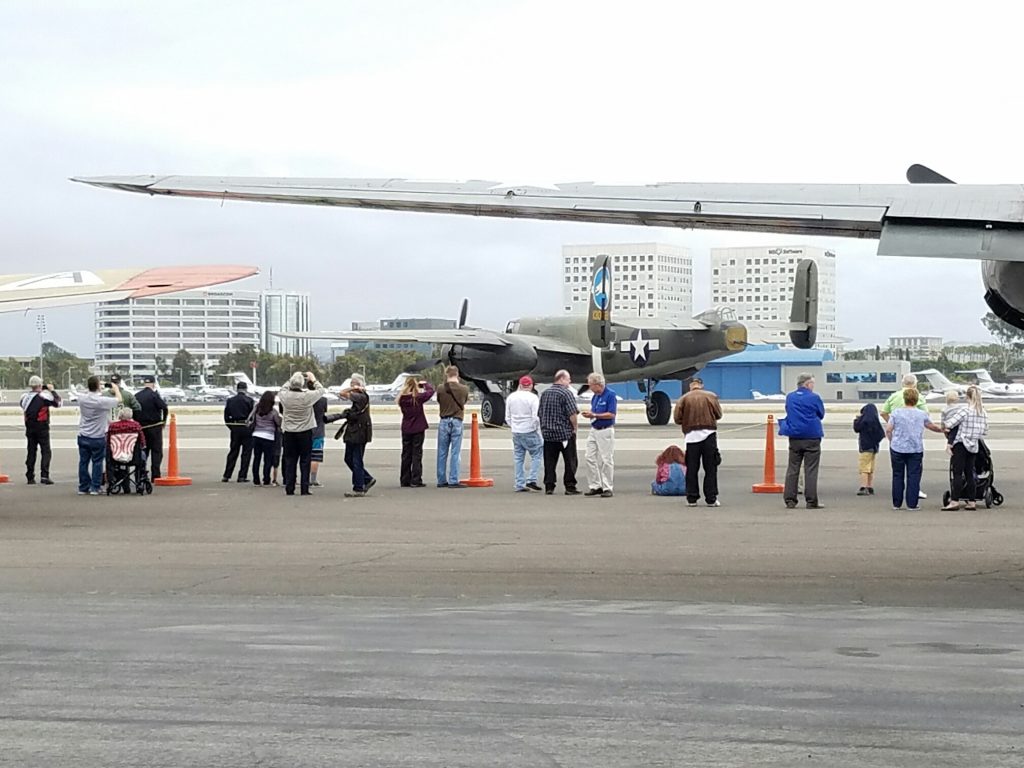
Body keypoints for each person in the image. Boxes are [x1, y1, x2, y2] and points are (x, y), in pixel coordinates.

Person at [885, 387, 944, 510]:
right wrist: (942, 430)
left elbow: (889, 429)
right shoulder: (921, 414)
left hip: (898, 447)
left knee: (897, 475)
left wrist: (891, 440)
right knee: (913, 476)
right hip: (915, 448)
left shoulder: (896, 412)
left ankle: (897, 503)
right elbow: (930, 426)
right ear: (916, 400)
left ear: (904, 399)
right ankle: (912, 504)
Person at [672, 377, 723, 507]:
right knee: (711, 468)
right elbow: (718, 415)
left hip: (691, 436)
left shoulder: (683, 398)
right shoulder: (711, 396)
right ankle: (711, 498)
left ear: (691, 386)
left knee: (692, 469)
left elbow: (677, 418)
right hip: (709, 435)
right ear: (701, 385)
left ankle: (692, 498)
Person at [880, 373, 930, 500]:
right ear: (915, 384)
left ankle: (897, 499)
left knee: (897, 472)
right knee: (914, 471)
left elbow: (883, 412)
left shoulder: (894, 396)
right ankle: (914, 493)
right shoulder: (918, 396)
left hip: (897, 437)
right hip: (913, 439)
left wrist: (893, 423)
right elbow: (925, 414)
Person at [781, 372, 826, 509]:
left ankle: (790, 499)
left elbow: (788, 411)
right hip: (811, 436)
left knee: (793, 468)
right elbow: (821, 414)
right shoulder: (814, 397)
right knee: (811, 469)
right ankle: (811, 501)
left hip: (795, 436)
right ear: (807, 384)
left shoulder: (790, 397)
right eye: (812, 383)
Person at [941, 385, 989, 511]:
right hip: (974, 444)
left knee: (957, 473)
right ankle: (972, 501)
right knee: (970, 472)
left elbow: (949, 423)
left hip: (961, 443)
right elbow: (985, 431)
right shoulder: (982, 412)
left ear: (967, 397)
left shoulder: (965, 410)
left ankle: (955, 500)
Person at [278, 371, 325, 496]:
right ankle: (305, 488)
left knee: (290, 461)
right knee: (305, 460)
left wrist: (292, 377)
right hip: (305, 431)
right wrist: (313, 379)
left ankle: (290, 487)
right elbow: (321, 391)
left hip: (289, 432)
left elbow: (282, 388)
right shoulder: (307, 396)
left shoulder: (285, 396)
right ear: (302, 384)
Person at [330, 373, 375, 497]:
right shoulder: (359, 397)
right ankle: (366, 478)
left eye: (353, 383)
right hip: (354, 432)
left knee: (356, 459)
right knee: (349, 458)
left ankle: (359, 487)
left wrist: (354, 388)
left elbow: (343, 393)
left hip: (359, 432)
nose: (350, 385)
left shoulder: (361, 396)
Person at [538, 369, 580, 496]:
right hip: (564, 434)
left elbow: (540, 413)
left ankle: (549, 485)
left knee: (549, 462)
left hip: (548, 434)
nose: (570, 381)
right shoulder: (566, 393)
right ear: (561, 379)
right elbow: (572, 413)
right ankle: (570, 486)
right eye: (568, 379)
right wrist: (575, 429)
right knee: (570, 461)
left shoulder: (545, 393)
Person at [77, 376, 120, 495]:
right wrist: (115, 388)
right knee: (97, 462)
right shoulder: (102, 401)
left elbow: (86, 394)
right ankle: (95, 487)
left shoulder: (82, 399)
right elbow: (119, 400)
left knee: (83, 462)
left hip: (83, 434)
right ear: (97, 386)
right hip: (98, 436)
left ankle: (83, 487)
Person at [20, 375, 61, 485]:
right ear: (39, 385)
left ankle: (30, 476)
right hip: (42, 427)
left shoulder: (24, 397)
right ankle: (44, 475)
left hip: (29, 427)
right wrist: (52, 390)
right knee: (46, 451)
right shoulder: (43, 397)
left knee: (31, 452)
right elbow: (58, 403)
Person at [582, 372, 617, 498]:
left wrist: (595, 415)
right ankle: (595, 485)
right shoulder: (595, 397)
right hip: (594, 429)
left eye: (591, 385)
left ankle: (608, 487)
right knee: (589, 457)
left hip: (605, 429)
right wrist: (590, 414)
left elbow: (612, 414)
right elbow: (594, 410)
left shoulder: (610, 395)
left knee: (606, 459)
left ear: (598, 384)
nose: (590, 387)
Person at [507, 375, 543, 492]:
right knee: (537, 455)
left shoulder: (511, 397)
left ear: (520, 385)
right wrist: (536, 429)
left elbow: (508, 417)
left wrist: (514, 426)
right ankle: (531, 479)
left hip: (516, 431)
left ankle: (519, 483)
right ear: (531, 385)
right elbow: (535, 416)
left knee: (518, 458)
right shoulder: (533, 398)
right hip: (529, 430)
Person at [436, 365, 469, 488]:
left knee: (442, 452)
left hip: (444, 421)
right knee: (455, 452)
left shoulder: (440, 388)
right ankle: (453, 479)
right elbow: (464, 402)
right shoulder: (464, 389)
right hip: (457, 421)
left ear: (446, 375)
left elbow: (439, 400)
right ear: (457, 375)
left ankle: (441, 479)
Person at [398, 376, 434, 487]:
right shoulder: (417, 398)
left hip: (406, 428)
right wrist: (424, 385)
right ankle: (416, 479)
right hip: (418, 427)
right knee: (416, 454)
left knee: (406, 454)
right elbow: (431, 391)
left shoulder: (402, 399)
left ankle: (404, 479)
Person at [134, 375, 168, 480]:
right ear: (153, 383)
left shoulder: (137, 396)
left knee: (143, 452)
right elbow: (164, 407)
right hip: (155, 427)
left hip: (141, 428)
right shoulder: (154, 395)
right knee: (156, 452)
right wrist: (163, 421)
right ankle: (155, 475)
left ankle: (140, 474)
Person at [222, 381, 255, 482]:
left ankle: (227, 475)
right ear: (245, 389)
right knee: (246, 453)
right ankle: (242, 476)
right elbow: (253, 416)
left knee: (233, 451)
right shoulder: (249, 400)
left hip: (235, 427)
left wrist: (231, 426)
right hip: (246, 427)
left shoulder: (230, 400)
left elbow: (226, 415)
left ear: (237, 389)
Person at [249, 390, 282, 487]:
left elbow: (250, 418)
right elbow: (278, 423)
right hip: (268, 437)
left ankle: (256, 479)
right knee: (267, 459)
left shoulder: (257, 409)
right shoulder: (273, 411)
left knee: (256, 458)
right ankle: (266, 478)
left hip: (256, 435)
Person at [853, 402, 885, 496]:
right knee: (870, 468)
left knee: (864, 468)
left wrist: (857, 419)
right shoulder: (876, 422)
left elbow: (856, 428)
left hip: (865, 447)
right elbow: (881, 434)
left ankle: (863, 487)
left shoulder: (863, 422)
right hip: (874, 447)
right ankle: (870, 486)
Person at [309, 381, 329, 487]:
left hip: (306, 430)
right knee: (315, 457)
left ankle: (304, 477)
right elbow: (324, 411)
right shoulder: (323, 400)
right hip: (318, 430)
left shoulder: (305, 399)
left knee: (306, 456)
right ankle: (313, 479)